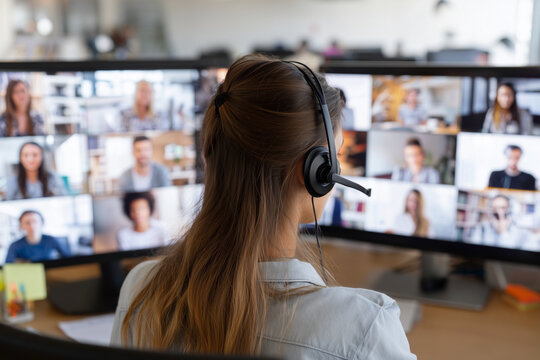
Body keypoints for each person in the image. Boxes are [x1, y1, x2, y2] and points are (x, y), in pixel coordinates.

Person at [111, 55, 414, 359]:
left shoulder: (140, 289)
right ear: (315, 171)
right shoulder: (365, 330)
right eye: (335, 155)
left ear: (209, 157)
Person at [5, 210, 71, 263]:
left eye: (35, 221)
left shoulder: (51, 240)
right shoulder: (15, 246)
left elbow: (68, 258)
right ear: (21, 226)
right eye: (27, 223)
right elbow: (8, 266)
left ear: (42, 222)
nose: (32, 225)